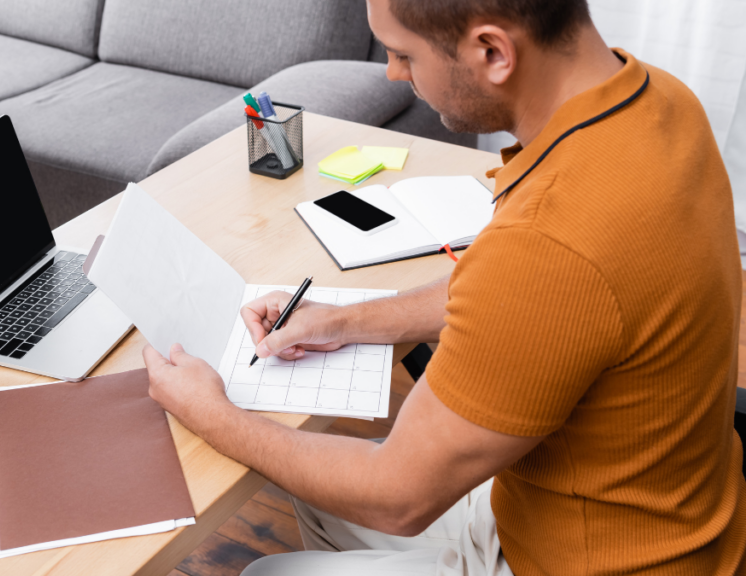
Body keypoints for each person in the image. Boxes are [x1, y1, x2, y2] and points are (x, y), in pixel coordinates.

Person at [141, 0, 746, 573]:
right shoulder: (659, 100)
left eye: (404, 53)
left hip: (584, 560)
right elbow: (502, 279)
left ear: (492, 51)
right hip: (661, 515)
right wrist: (342, 320)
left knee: (270, 568)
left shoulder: (549, 245)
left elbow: (396, 498)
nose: (393, 73)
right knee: (316, 487)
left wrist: (212, 413)